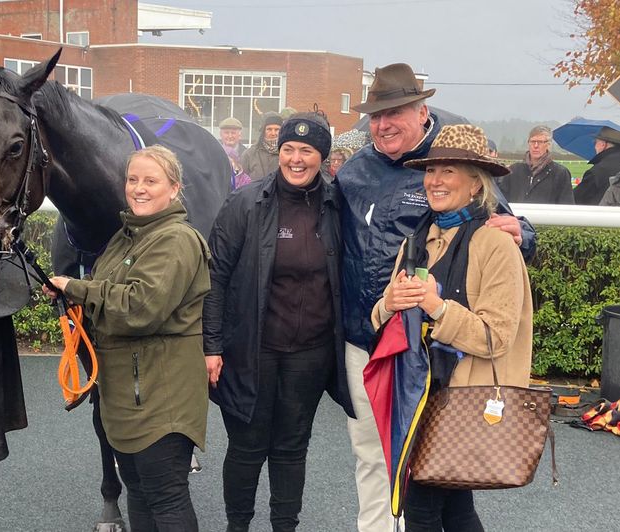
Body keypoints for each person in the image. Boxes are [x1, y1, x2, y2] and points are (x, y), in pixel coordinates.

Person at [336, 62, 533, 532]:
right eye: (376, 116)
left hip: (443, 369)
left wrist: (522, 234)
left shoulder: (469, 196)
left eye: (395, 112)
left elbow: (505, 231)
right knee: (376, 459)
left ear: (421, 111)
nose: (382, 124)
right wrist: (386, 306)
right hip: (374, 346)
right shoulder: (355, 173)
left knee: (427, 490)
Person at [44, 145, 210, 531]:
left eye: (151, 181)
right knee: (137, 491)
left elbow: (141, 308)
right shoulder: (126, 236)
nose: (139, 188)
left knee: (167, 499)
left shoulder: (176, 239)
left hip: (162, 400)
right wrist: (71, 293)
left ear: (174, 188)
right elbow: (105, 289)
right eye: (133, 179)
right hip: (124, 396)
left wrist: (79, 289)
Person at [203, 113, 355, 532]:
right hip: (252, 348)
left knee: (291, 448)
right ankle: (238, 525)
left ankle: (285, 525)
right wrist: (211, 345)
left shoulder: (338, 206)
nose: (296, 158)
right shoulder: (245, 203)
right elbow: (213, 277)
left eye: (306, 150)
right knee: (247, 446)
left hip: (311, 351)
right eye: (289, 148)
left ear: (322, 157)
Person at [498, 125, 574, 204]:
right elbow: (502, 202)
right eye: (533, 141)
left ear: (548, 144)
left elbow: (567, 207)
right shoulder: (513, 170)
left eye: (540, 142)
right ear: (528, 143)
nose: (536, 146)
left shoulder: (560, 173)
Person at [574, 126, 620, 205]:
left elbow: (576, 199)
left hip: (601, 214)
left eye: (595, 142)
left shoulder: (597, 170)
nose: (595, 147)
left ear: (602, 144)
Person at [241, 112, 283, 181]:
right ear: (263, 131)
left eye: (277, 130)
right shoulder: (250, 154)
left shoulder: (287, 153)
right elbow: (242, 180)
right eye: (269, 129)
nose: (273, 133)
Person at [218, 117, 251, 189]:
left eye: (233, 133)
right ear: (220, 135)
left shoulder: (248, 154)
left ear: (239, 135)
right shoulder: (214, 153)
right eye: (226, 133)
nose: (230, 136)